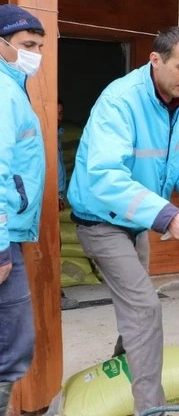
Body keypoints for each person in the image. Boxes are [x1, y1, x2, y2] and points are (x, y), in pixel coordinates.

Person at [67, 27, 179, 415]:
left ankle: (119, 369)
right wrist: (167, 216)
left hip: (137, 220)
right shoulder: (120, 101)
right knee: (145, 307)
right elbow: (105, 176)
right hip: (101, 220)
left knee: (136, 310)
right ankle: (151, 409)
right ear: (155, 59)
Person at [0, 4, 46, 416]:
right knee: (13, 344)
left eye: (39, 45)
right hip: (1, 238)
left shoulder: (13, 87)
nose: (35, 52)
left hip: (9, 234)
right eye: (26, 44)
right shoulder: (2, 91)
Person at [57, 99, 80, 311]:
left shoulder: (58, 134)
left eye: (62, 113)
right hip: (44, 200)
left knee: (57, 246)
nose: (59, 117)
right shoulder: (43, 134)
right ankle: (55, 293)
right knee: (52, 247)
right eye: (56, 113)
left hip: (57, 195)